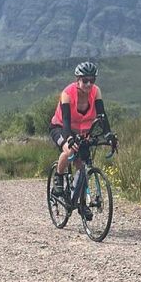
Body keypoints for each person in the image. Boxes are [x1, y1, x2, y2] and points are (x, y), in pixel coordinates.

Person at [49, 61, 117, 197]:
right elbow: (66, 120)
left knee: (82, 165)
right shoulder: (67, 94)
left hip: (82, 131)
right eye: (85, 80)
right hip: (60, 127)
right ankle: (58, 179)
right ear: (77, 80)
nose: (89, 84)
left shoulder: (96, 92)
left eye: (92, 80)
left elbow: (102, 116)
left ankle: (80, 200)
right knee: (69, 151)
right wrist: (69, 139)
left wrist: (109, 135)